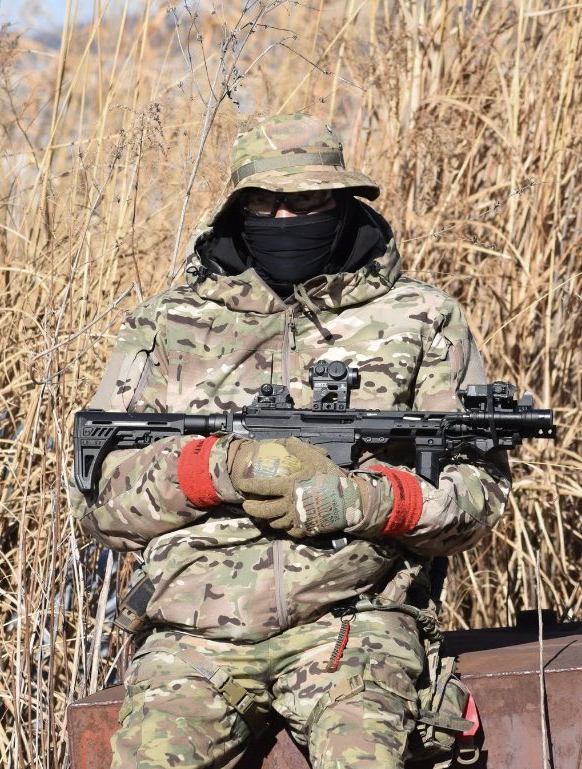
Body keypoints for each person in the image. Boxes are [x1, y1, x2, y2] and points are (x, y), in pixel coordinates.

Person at [68, 112, 512, 769]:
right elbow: (100, 503)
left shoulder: (421, 318)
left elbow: (478, 497)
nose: (284, 219)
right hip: (194, 635)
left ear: (342, 204)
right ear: (237, 210)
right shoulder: (169, 323)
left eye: (306, 202)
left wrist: (360, 501)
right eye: (265, 203)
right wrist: (217, 467)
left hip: (353, 624)